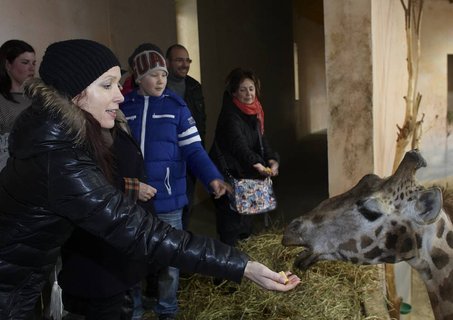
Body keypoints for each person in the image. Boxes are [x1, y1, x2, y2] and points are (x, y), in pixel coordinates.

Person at [0, 39, 299, 320]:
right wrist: (242, 266)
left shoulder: (58, 135)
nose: (119, 93)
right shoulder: (59, 159)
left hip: (21, 281)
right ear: (74, 93)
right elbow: (143, 233)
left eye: (118, 83)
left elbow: (191, 150)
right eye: (107, 85)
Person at [120, 43, 229, 320]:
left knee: (170, 257)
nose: (160, 80)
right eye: (154, 74)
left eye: (164, 74)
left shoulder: (176, 108)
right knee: (132, 256)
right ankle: (134, 307)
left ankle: (167, 308)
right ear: (139, 77)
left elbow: (194, 150)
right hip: (132, 199)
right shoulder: (124, 107)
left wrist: (212, 177)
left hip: (167, 199)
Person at [58, 110, 157, 320]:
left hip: (121, 234)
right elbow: (86, 183)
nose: (120, 95)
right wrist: (130, 187)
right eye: (107, 85)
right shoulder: (73, 133)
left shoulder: (112, 119)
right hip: (100, 251)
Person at [210, 67, 280, 247]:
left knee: (246, 220)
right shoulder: (230, 115)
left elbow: (261, 140)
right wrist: (256, 162)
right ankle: (226, 268)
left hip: (244, 174)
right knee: (230, 224)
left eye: (251, 88)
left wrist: (272, 159)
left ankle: (243, 264)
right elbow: (238, 145)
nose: (248, 93)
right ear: (234, 92)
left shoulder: (254, 112)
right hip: (227, 174)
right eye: (242, 89)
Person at [165, 44, 207, 232]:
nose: (184, 64)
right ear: (167, 62)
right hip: (166, 157)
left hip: (188, 156)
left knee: (186, 203)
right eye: (179, 60)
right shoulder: (159, 85)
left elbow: (201, 122)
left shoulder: (194, 86)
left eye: (187, 60)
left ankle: (182, 241)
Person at [0, 39, 35, 170]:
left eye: (34, 63)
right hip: (11, 173)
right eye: (25, 62)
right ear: (8, 65)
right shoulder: (2, 102)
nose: (32, 68)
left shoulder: (40, 97)